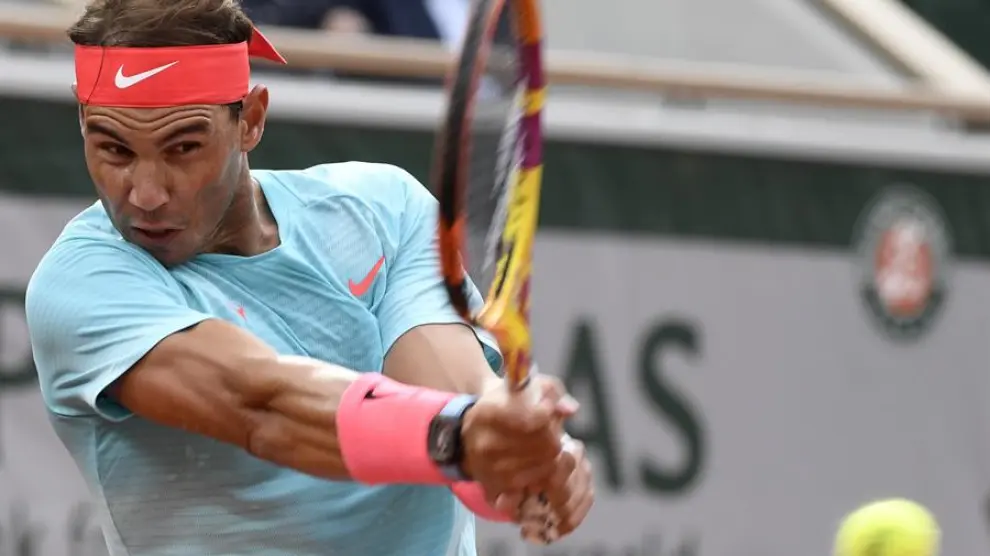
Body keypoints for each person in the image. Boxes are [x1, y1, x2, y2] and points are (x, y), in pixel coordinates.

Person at [24, 0, 594, 555]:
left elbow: (453, 402)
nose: (146, 194)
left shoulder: (384, 210)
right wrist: (466, 437)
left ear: (251, 120)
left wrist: (513, 457)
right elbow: (261, 406)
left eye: (183, 147)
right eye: (114, 150)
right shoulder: (80, 282)